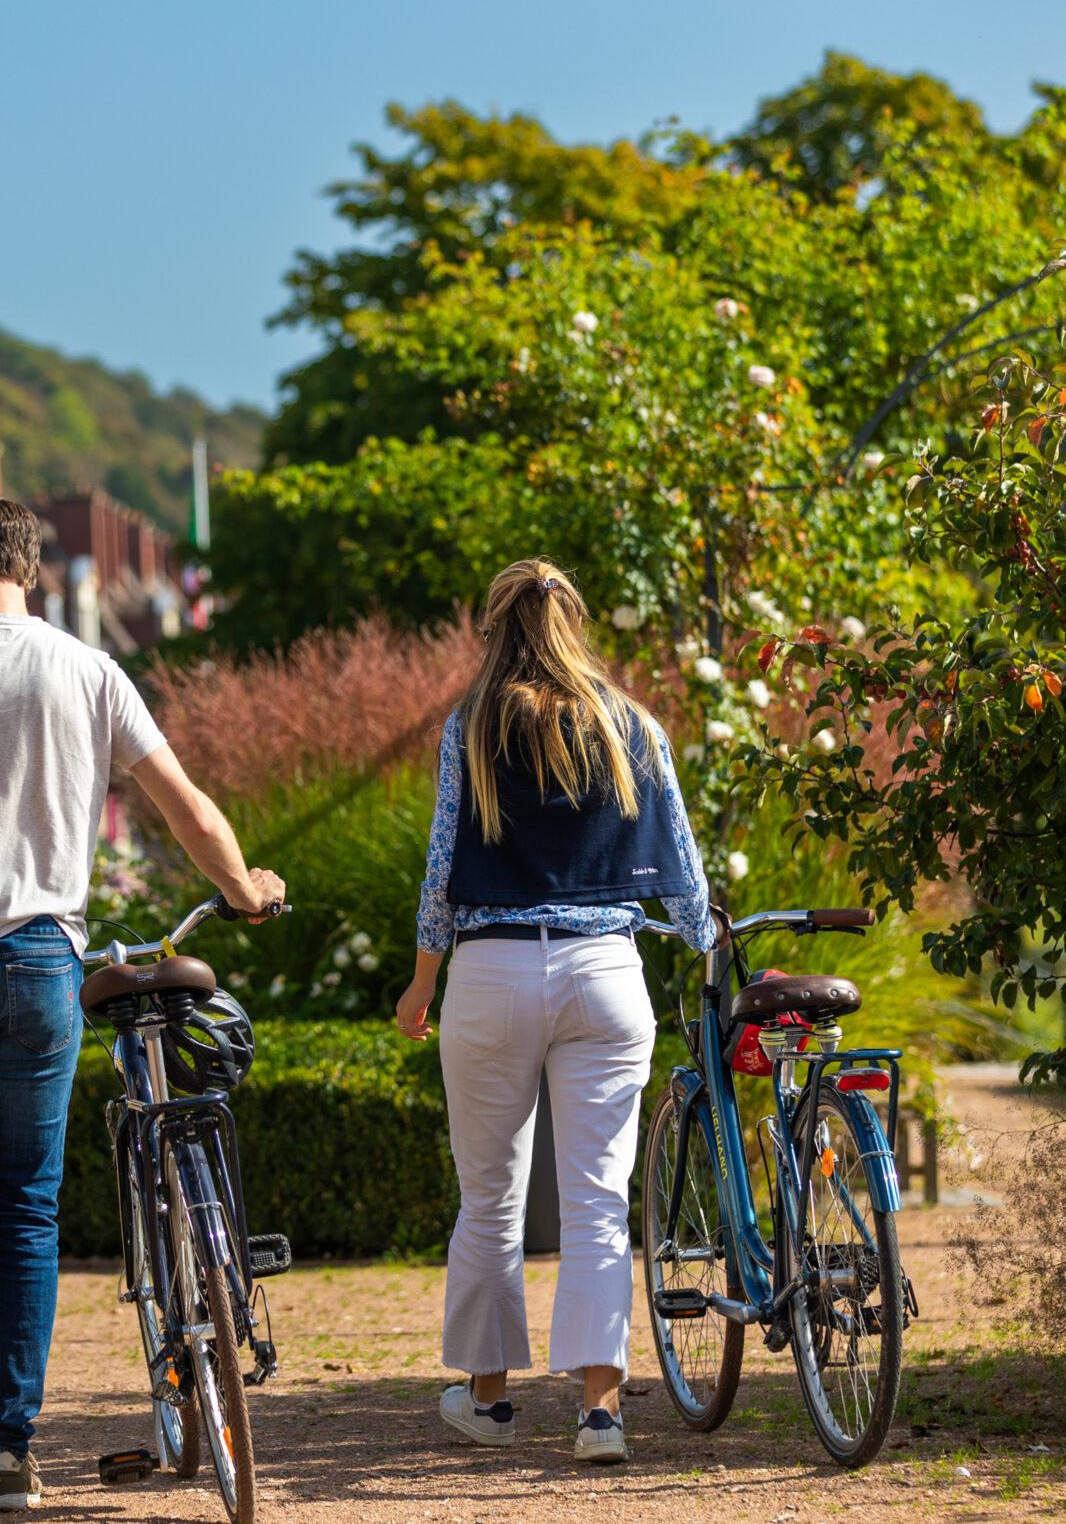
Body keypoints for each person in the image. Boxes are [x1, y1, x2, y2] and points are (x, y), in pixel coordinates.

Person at [0, 489, 284, 1513]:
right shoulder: (90, 670)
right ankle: (5, 1453)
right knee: (25, 1212)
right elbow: (185, 807)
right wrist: (242, 890)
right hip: (44, 962)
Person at [394, 558, 720, 1466]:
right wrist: (707, 944)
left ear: (493, 631)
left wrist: (422, 982)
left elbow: (439, 876)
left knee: (490, 1198)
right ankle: (601, 1413)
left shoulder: (467, 730)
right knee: (598, 1204)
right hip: (606, 972)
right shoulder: (632, 727)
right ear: (576, 625)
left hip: (492, 973)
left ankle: (490, 1400)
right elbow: (685, 872)